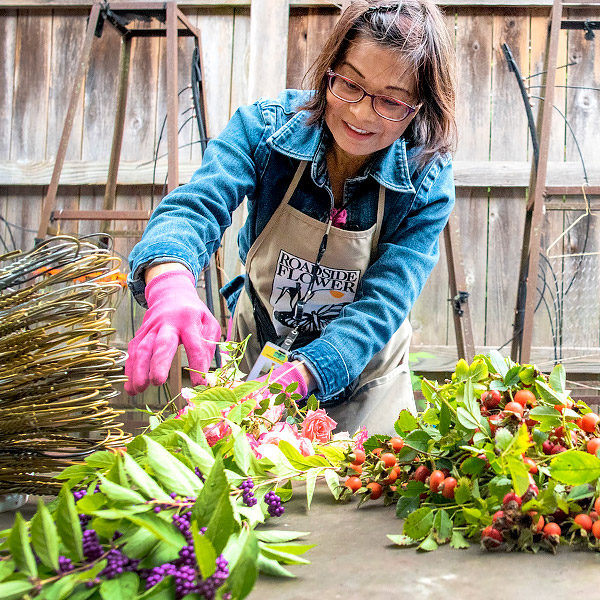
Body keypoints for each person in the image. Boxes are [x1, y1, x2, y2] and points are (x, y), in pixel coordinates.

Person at [124, 0, 457, 436]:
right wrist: (169, 282)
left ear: (421, 106)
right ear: (328, 69)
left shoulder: (426, 178)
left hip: (362, 380)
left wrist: (305, 374)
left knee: (357, 494)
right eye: (349, 85)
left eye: (391, 101)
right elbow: (197, 205)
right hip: (259, 353)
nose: (360, 113)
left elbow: (385, 302)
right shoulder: (264, 129)